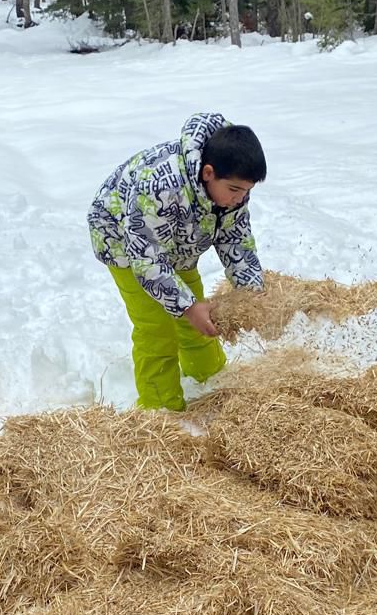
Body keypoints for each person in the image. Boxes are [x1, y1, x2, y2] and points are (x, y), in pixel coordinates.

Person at [89, 114, 265, 410]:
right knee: (156, 329)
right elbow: (146, 259)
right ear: (208, 173)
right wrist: (185, 306)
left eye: (247, 191)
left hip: (180, 241)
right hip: (125, 243)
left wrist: (251, 290)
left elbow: (236, 238)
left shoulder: (231, 192)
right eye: (235, 190)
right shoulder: (159, 186)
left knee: (201, 318)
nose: (240, 199)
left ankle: (211, 378)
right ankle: (161, 410)